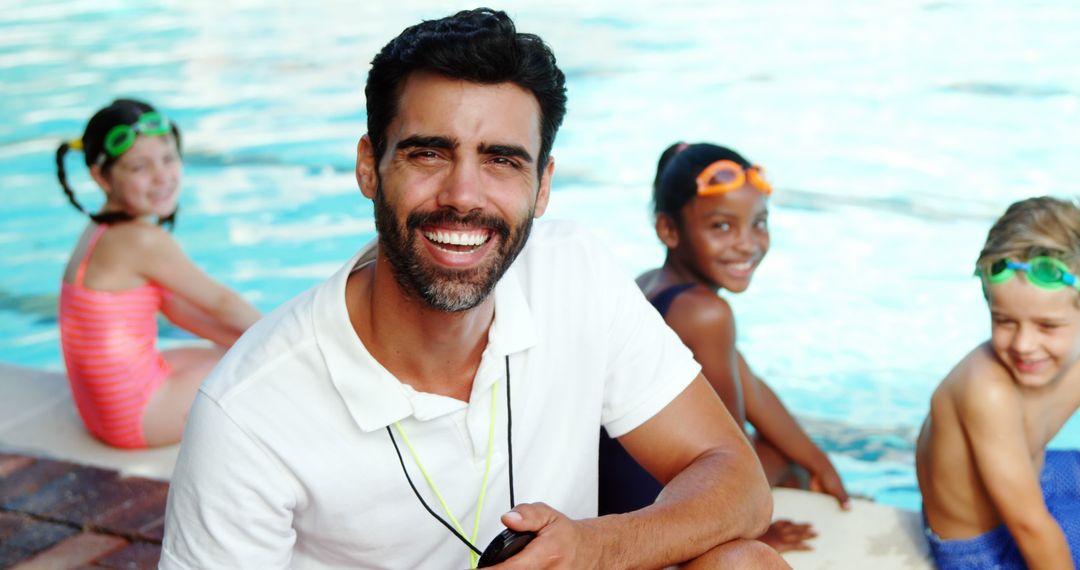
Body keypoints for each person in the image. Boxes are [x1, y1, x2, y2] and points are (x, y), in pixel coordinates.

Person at [161, 8, 787, 569]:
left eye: (501, 160)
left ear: (542, 186)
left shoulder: (574, 272)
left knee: (746, 565)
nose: (463, 196)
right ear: (367, 167)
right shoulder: (249, 411)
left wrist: (598, 546)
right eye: (428, 154)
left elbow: (736, 479)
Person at [598, 142, 850, 552]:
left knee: (790, 449)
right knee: (776, 456)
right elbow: (733, 454)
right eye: (722, 226)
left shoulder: (650, 284)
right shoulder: (706, 312)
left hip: (615, 494)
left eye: (759, 223)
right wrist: (756, 532)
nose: (747, 244)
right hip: (652, 508)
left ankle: (815, 479)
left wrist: (820, 461)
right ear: (669, 230)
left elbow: (747, 382)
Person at [56, 99, 261, 449]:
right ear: (101, 176)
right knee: (262, 376)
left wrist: (246, 342)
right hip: (138, 420)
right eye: (140, 167)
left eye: (168, 159)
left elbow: (177, 310)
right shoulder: (142, 241)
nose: (162, 176)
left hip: (100, 414)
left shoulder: (98, 232)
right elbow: (223, 302)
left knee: (240, 350)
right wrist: (290, 342)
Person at [916, 196, 1080, 569]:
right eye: (1004, 320)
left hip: (1037, 481)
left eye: (1047, 326)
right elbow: (1031, 528)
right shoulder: (985, 390)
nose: (1023, 345)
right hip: (985, 549)